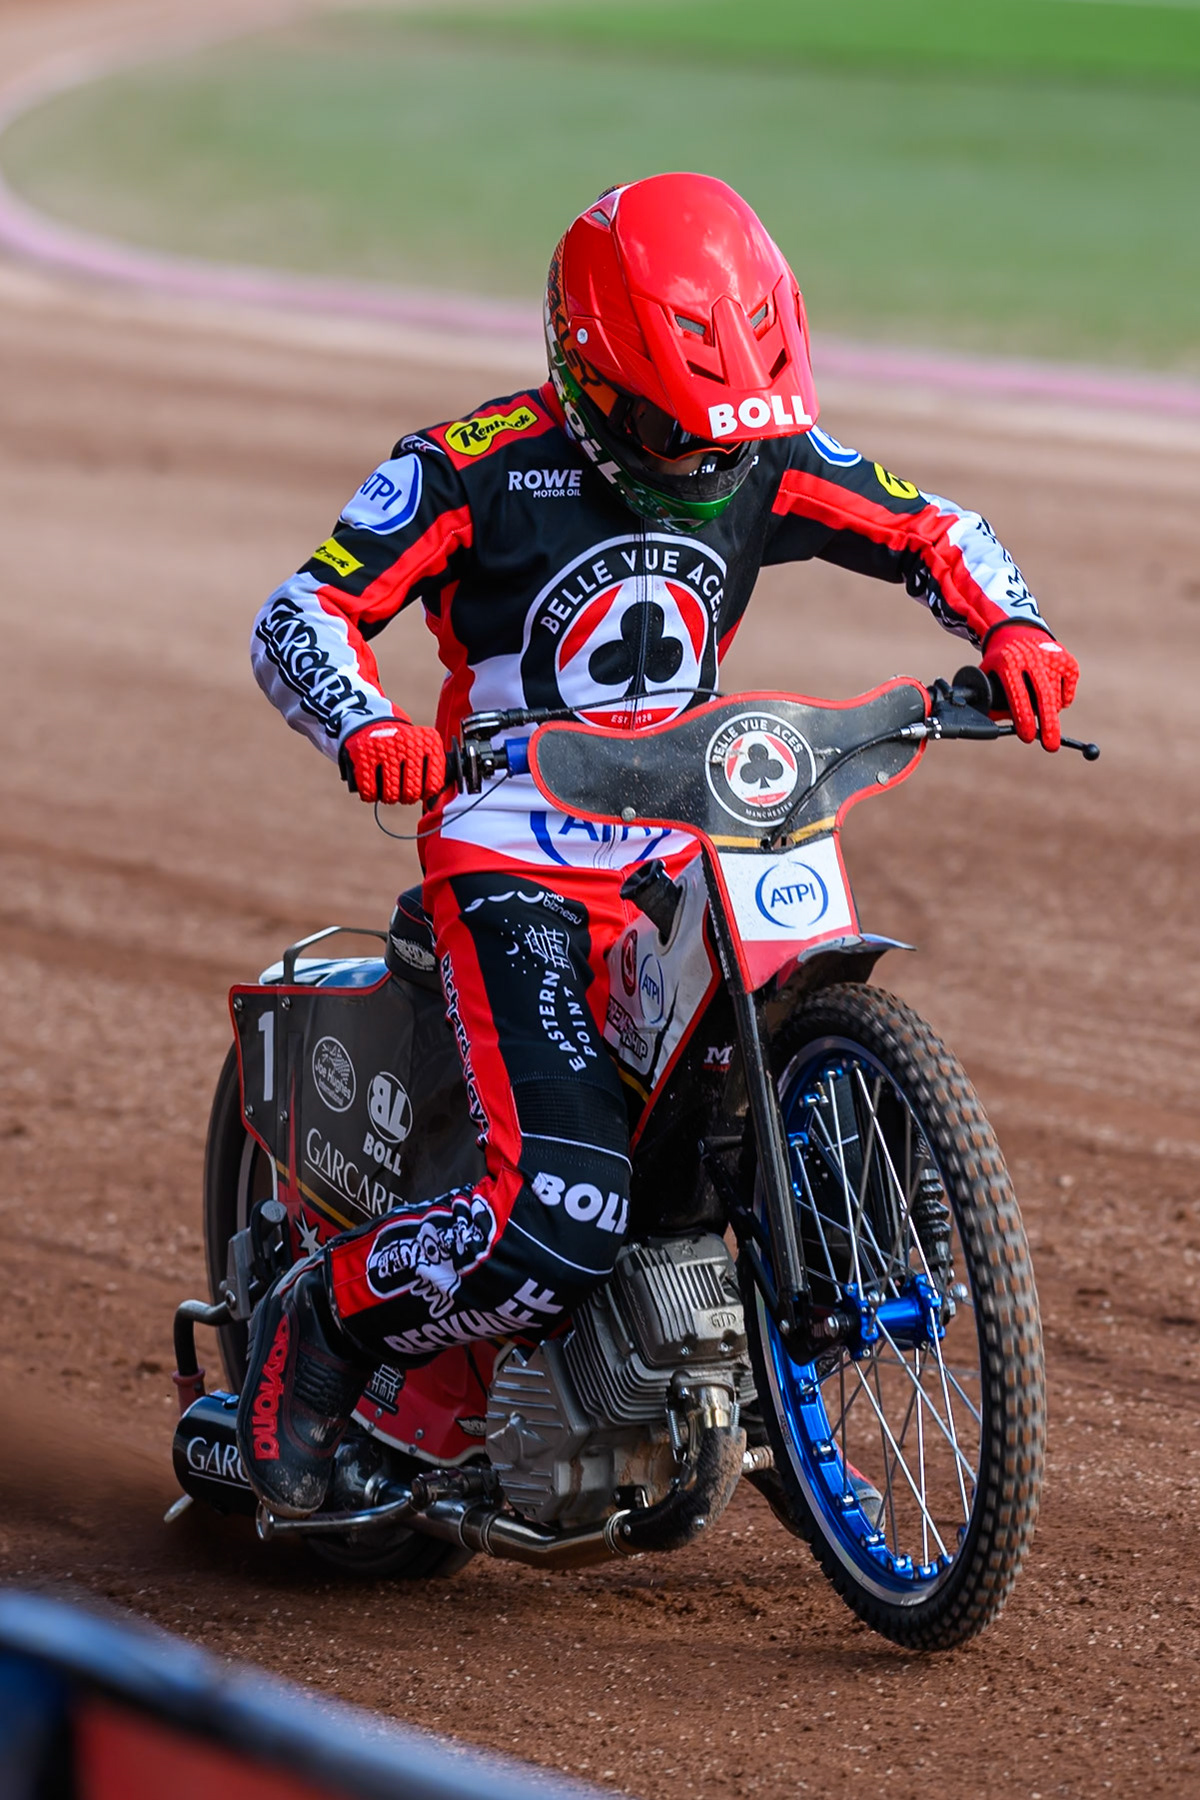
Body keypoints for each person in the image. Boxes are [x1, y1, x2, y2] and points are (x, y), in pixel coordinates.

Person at [238, 172, 1080, 1517]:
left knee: (750, 1115)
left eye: (733, 443)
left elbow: (938, 526)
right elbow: (303, 615)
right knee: (557, 1217)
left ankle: (743, 1348)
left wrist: (1015, 630)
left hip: (686, 839)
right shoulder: (470, 467)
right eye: (673, 436)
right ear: (585, 376)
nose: (707, 468)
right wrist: (368, 726)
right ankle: (323, 1322)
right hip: (512, 860)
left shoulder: (762, 453)